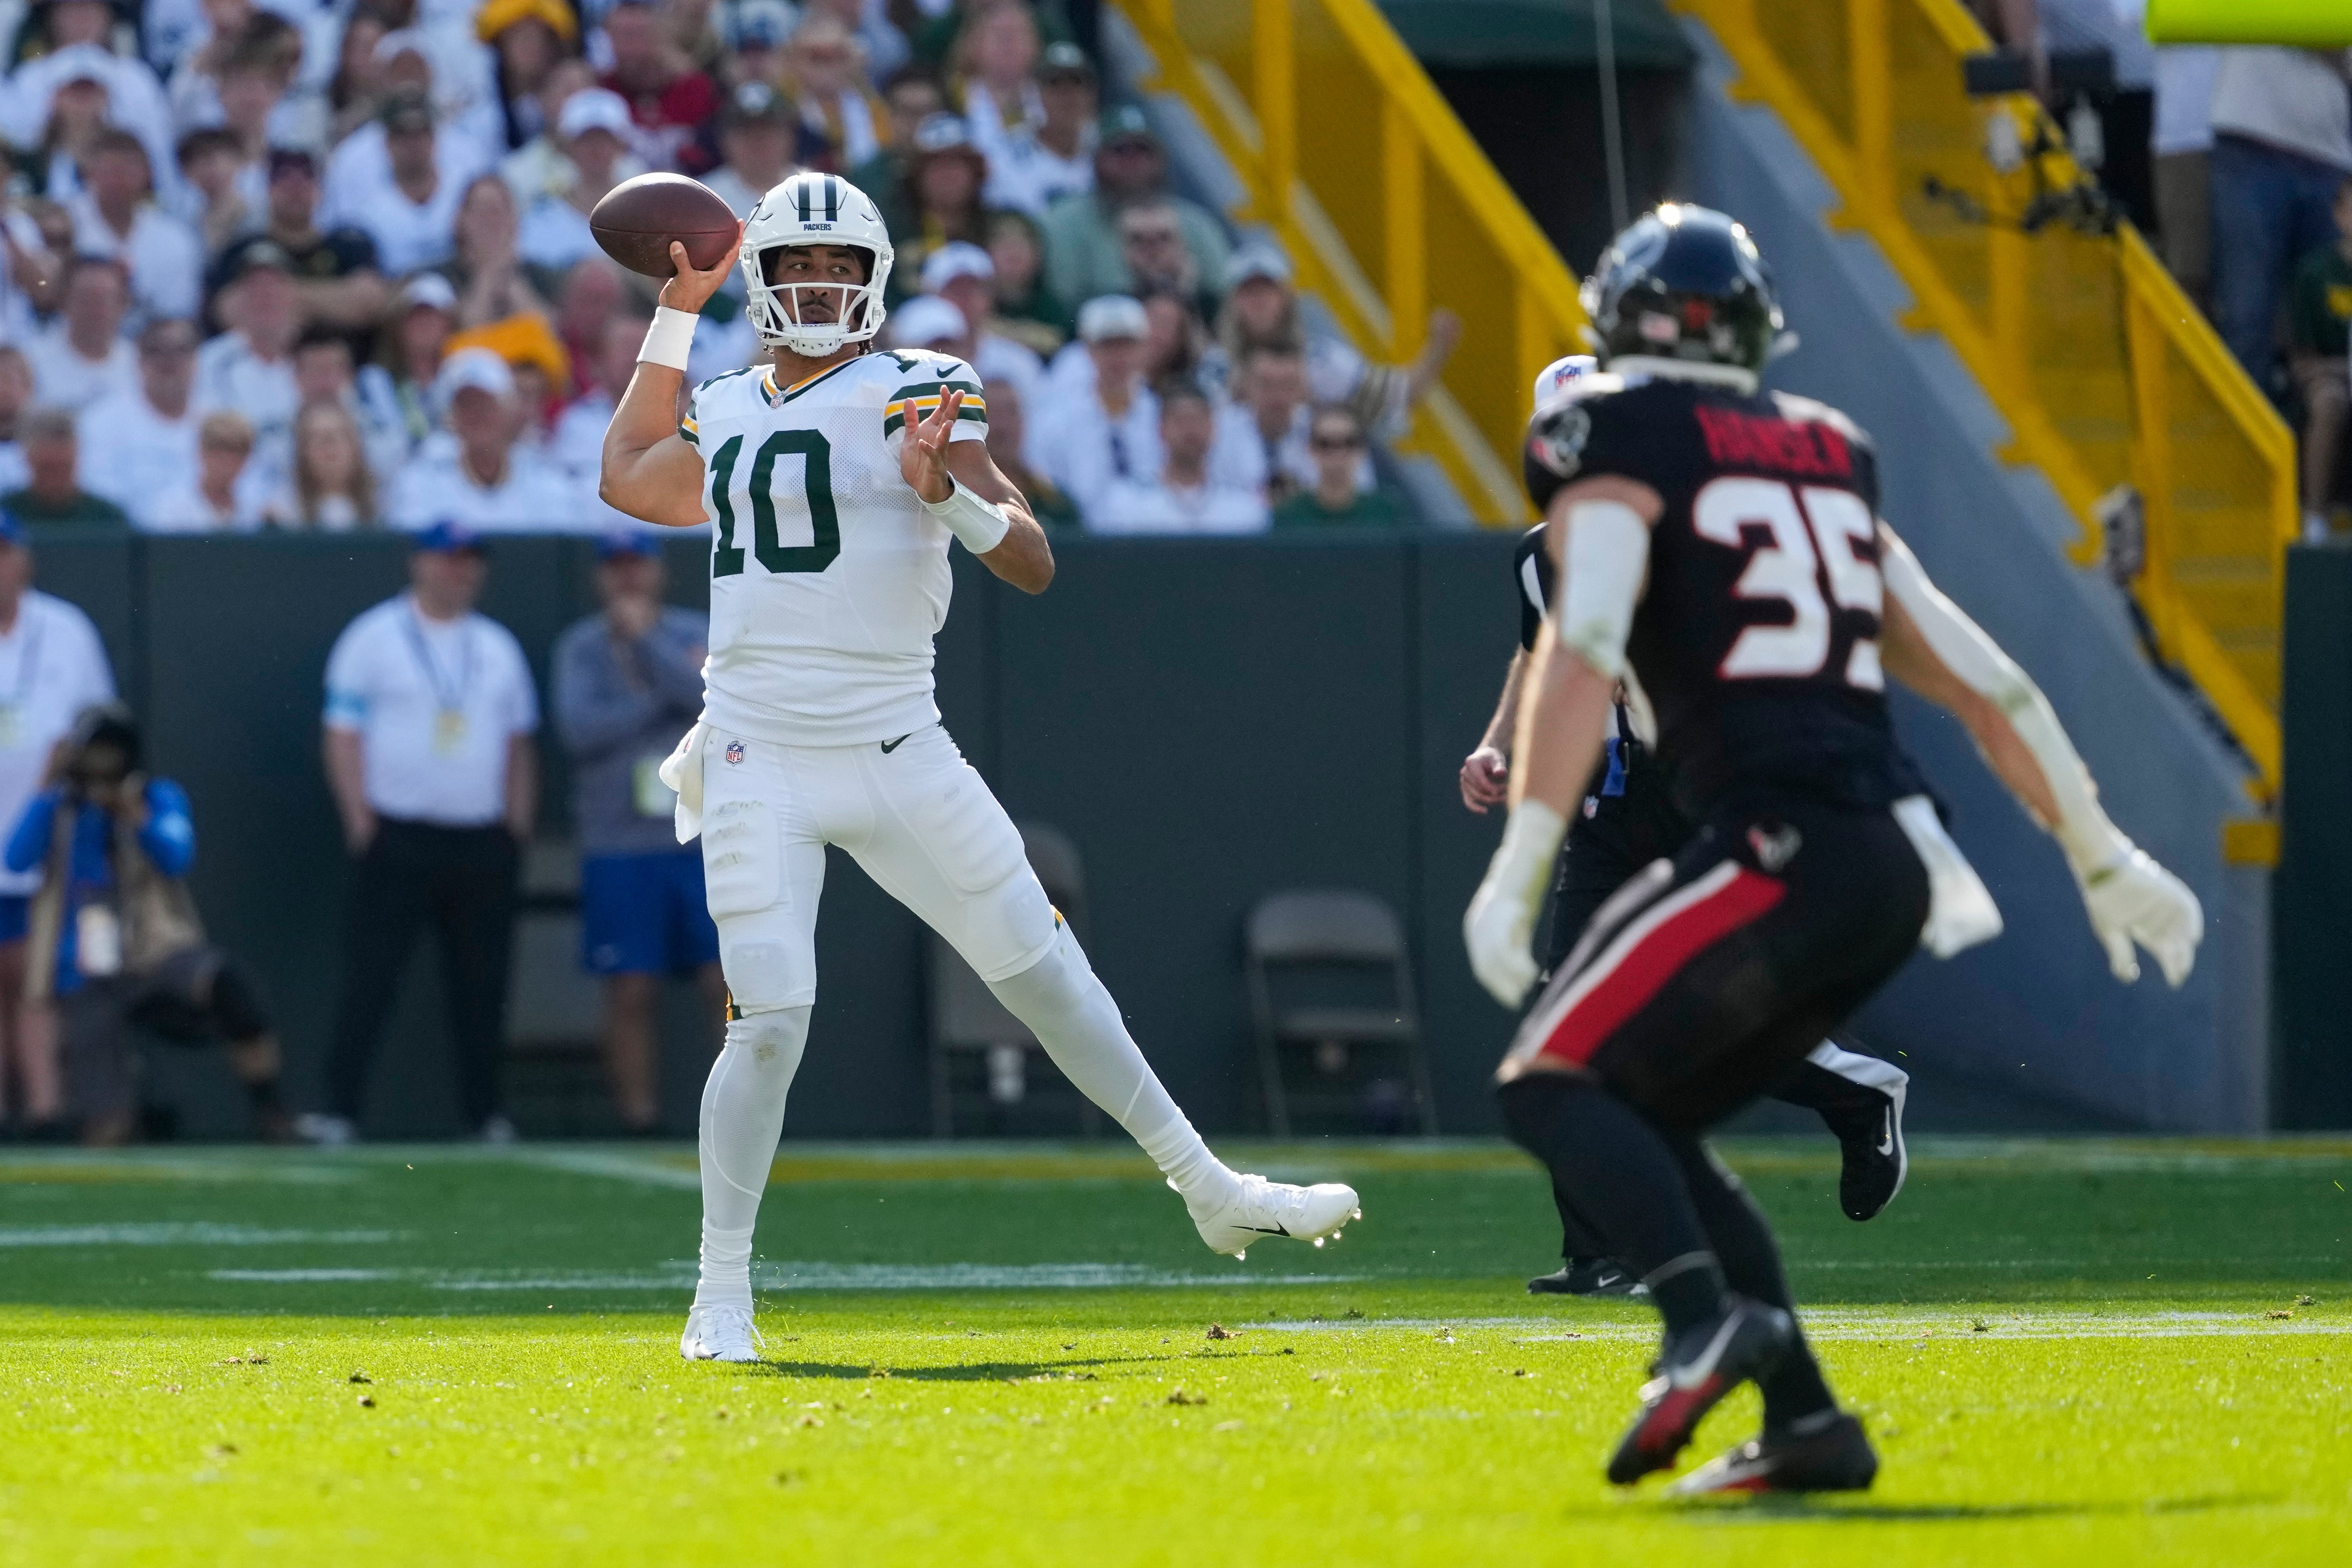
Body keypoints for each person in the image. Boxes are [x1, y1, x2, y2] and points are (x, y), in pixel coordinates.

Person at [1462, 206, 2203, 1494]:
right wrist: (2102, 854)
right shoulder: (1823, 450)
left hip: (1776, 839)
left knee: (1549, 1081)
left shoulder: (1613, 436)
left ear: (1618, 323)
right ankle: (1806, 1420)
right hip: (1892, 858)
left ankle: (1704, 1322)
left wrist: (1522, 863)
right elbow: (1992, 690)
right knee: (1655, 1113)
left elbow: (1581, 652)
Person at [597, 168, 1363, 1362]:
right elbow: (627, 474)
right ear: (760, 279)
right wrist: (674, 309)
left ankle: (1206, 1185)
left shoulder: (922, 387)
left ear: (874, 280)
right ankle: (721, 1293)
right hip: (757, 745)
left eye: (836, 268)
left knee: (1040, 965)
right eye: (794, 267)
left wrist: (947, 493)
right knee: (770, 1020)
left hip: (899, 736)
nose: (814, 285)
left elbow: (1035, 560)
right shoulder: (731, 402)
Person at [306, 522, 540, 1146]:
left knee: (483, 986)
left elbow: (519, 743)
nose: (458, 571)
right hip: (399, 835)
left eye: (469, 561)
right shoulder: (373, 637)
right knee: (371, 977)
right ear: (418, 563)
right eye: (447, 558)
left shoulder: (496, 647)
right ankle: (339, 1109)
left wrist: (515, 825)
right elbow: (342, 734)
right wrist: (360, 818)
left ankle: (485, 1113)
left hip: (480, 840)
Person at [6, 702, 291, 1145]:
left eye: (110, 756)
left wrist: (133, 814)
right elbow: (16, 855)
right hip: (81, 969)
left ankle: (271, 1110)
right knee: (106, 1128)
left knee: (232, 987)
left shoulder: (155, 797)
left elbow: (177, 855)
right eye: (92, 756)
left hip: (151, 949)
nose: (101, 769)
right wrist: (50, 787)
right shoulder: (61, 807)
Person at [552, 533, 725, 1133]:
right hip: (619, 844)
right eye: (615, 568)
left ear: (659, 572)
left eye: (637, 566)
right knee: (629, 988)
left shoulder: (693, 631)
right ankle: (638, 1119)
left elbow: (711, 701)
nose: (627, 579)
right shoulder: (580, 647)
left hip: (702, 838)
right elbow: (581, 731)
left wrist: (646, 645)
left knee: (725, 978)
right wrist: (657, 705)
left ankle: (737, 1114)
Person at [0, 517, 116, 1140]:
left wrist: (56, 780)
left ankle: (47, 1111)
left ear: (24, 559)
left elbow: (99, 734)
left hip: (49, 844)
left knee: (38, 981)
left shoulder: (67, 631)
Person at [2206, 48, 2352, 388]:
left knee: (2330, 324)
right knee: (2247, 315)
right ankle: (2247, 439)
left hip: (2329, 155)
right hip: (2250, 145)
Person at [1040, 106, 1227, 312]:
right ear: (1096, 159)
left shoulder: (1196, 224)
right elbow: (1061, 303)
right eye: (1119, 151)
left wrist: (1183, 288)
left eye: (1142, 151)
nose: (1132, 162)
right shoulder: (1064, 222)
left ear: (1160, 159)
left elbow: (1227, 299)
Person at [387, 347, 579, 531]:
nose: (477, 414)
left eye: (487, 404)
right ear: (451, 418)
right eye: (466, 405)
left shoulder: (545, 482)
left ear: (508, 411)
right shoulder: (420, 482)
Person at [1029, 292, 1158, 520]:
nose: (1118, 357)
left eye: (1126, 345)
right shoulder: (1058, 423)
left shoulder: (1161, 415)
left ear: (1144, 349)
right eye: (1107, 346)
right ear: (1088, 350)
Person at [1089, 379, 1266, 535]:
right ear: (1161, 430)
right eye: (1180, 421)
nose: (1190, 431)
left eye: (1198, 420)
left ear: (1214, 429)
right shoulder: (1127, 504)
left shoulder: (1242, 509)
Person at [64, 127, 201, 328]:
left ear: (147, 175)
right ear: (88, 173)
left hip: (153, 348)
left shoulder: (174, 238)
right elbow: (46, 291)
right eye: (109, 170)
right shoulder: (62, 224)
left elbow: (178, 314)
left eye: (128, 170)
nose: (118, 180)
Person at [192, 236, 300, 479]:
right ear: (238, 297)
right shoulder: (211, 362)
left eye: (276, 286)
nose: (267, 296)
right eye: (256, 286)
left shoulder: (304, 365)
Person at [254, 146, 389, 337]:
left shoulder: (351, 244)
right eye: (284, 177)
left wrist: (280, 296)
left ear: (321, 189)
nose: (295, 188)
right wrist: (336, 298)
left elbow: (370, 304)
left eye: (306, 177)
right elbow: (232, 311)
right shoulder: (246, 248)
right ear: (268, 189)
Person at [2289, 177, 2352, 538]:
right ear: (2339, 214)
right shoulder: (2314, 273)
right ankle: (2315, 517)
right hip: (2328, 378)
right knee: (2331, 401)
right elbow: (2302, 361)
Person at [518, 87, 635, 274]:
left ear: (621, 144)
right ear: (568, 147)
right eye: (586, 139)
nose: (596, 148)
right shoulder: (542, 216)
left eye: (605, 138)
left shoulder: (644, 215)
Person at [599, 0, 722, 174]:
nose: (627, 49)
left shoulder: (695, 90)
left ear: (660, 38)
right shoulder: (604, 91)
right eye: (618, 37)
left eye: (635, 36)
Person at [982, 39, 1093, 219]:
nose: (1066, 95)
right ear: (1037, 93)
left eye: (1077, 83)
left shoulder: (1109, 151)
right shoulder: (1006, 153)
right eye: (1055, 84)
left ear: (1092, 94)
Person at [22, 254, 136, 415]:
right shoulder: (30, 362)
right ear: (64, 301)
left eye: (105, 300)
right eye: (86, 299)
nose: (96, 310)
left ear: (123, 305)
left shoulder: (139, 365)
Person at [1272, 407, 1408, 529]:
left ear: (1363, 450)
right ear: (1311, 450)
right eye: (1325, 444)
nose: (1337, 454)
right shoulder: (1289, 517)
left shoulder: (1387, 513)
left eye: (1349, 443)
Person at [0, 408, 132, 532]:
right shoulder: (6, 514)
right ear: (28, 459)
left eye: (64, 467)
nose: (56, 477)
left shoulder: (108, 519)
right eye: (48, 468)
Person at [142, 410, 263, 533]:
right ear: (201, 452)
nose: (227, 460)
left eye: (237, 451)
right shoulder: (171, 512)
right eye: (218, 449)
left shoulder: (257, 513)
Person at [274, 398, 378, 530]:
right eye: (317, 437)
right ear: (302, 450)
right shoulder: (283, 515)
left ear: (356, 445)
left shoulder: (387, 506)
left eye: (339, 434)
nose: (330, 446)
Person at [705, 79, 798, 219]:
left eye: (768, 131)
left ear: (789, 136)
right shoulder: (707, 198)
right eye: (746, 133)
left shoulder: (815, 192)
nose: (758, 142)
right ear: (726, 140)